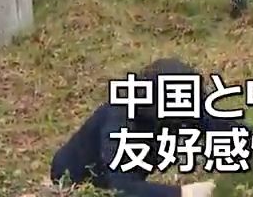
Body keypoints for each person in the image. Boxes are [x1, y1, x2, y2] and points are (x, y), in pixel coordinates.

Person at [50, 57, 242, 197]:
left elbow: (220, 125)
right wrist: (186, 193)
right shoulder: (120, 121)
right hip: (77, 180)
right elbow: (122, 188)